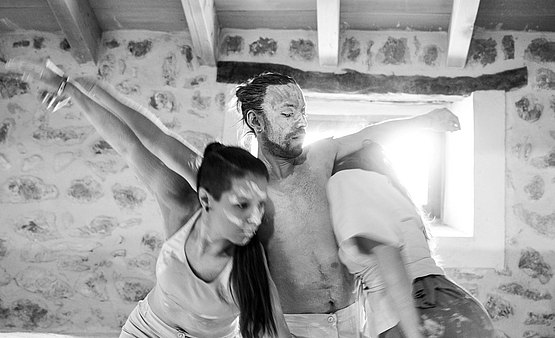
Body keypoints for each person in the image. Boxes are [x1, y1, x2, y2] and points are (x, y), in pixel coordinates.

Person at [8, 59, 460, 337]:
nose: (300, 121)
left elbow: (372, 132)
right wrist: (79, 89)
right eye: (287, 112)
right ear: (256, 121)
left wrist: (428, 119)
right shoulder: (239, 183)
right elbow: (152, 139)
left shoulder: (323, 156)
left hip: (352, 315)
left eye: (303, 111)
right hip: (293, 326)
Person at [6, 59, 291, 338]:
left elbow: (276, 331)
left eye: (259, 205)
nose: (254, 217)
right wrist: (69, 88)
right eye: (241, 205)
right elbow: (137, 142)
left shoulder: (250, 267)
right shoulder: (181, 200)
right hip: (146, 329)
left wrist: (72, 88)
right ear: (206, 199)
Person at [327, 141, 496, 338]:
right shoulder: (388, 189)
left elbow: (389, 257)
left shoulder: (346, 180)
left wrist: (413, 333)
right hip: (449, 305)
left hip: (421, 313)